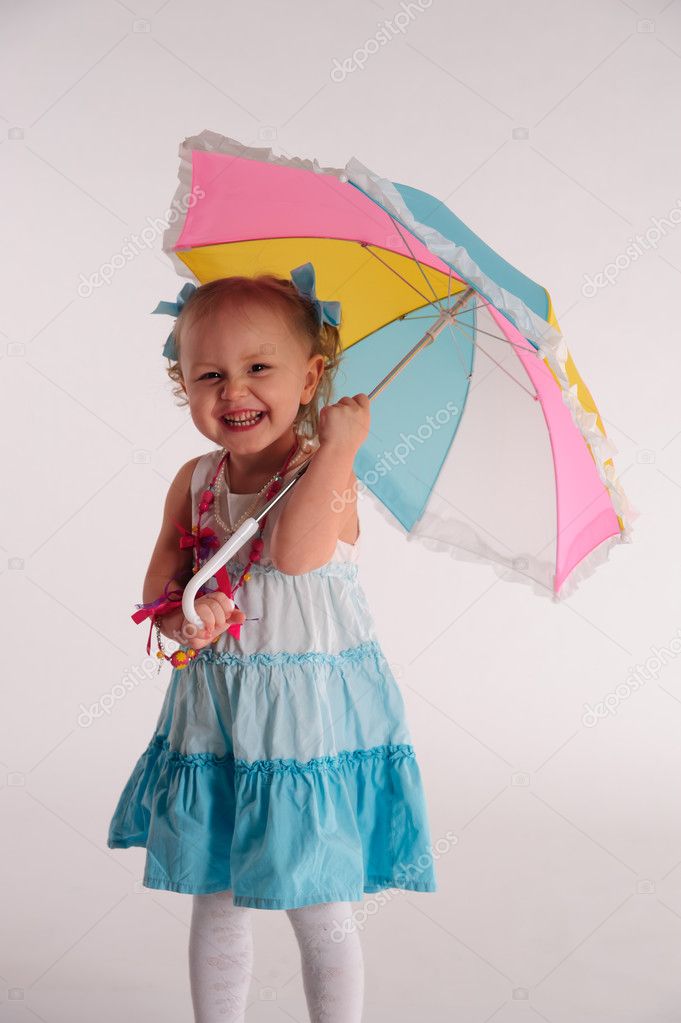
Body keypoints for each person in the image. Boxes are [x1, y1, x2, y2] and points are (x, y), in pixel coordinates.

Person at [107, 262, 437, 1022]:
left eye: (260, 368)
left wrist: (340, 448)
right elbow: (161, 588)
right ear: (181, 383)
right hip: (219, 712)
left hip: (303, 726)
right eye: (209, 374)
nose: (234, 391)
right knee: (217, 893)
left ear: (312, 375)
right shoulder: (195, 479)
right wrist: (183, 617)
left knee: (315, 899)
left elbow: (293, 554)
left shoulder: (324, 475)